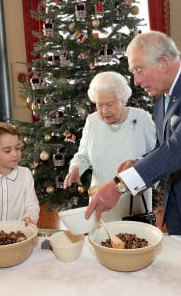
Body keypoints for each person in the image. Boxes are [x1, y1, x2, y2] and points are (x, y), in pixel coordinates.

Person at [85, 31, 181, 240]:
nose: (136, 81)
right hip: (177, 209)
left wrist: (119, 185)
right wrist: (141, 162)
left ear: (163, 63)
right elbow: (164, 146)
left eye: (139, 70)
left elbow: (178, 148)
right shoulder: (161, 97)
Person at [64, 71, 156, 222]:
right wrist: (75, 168)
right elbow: (83, 156)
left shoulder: (141, 119)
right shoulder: (92, 121)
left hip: (133, 205)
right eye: (99, 105)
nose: (104, 111)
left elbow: (156, 158)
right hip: (100, 202)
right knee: (100, 242)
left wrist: (146, 182)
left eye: (109, 105)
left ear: (123, 100)